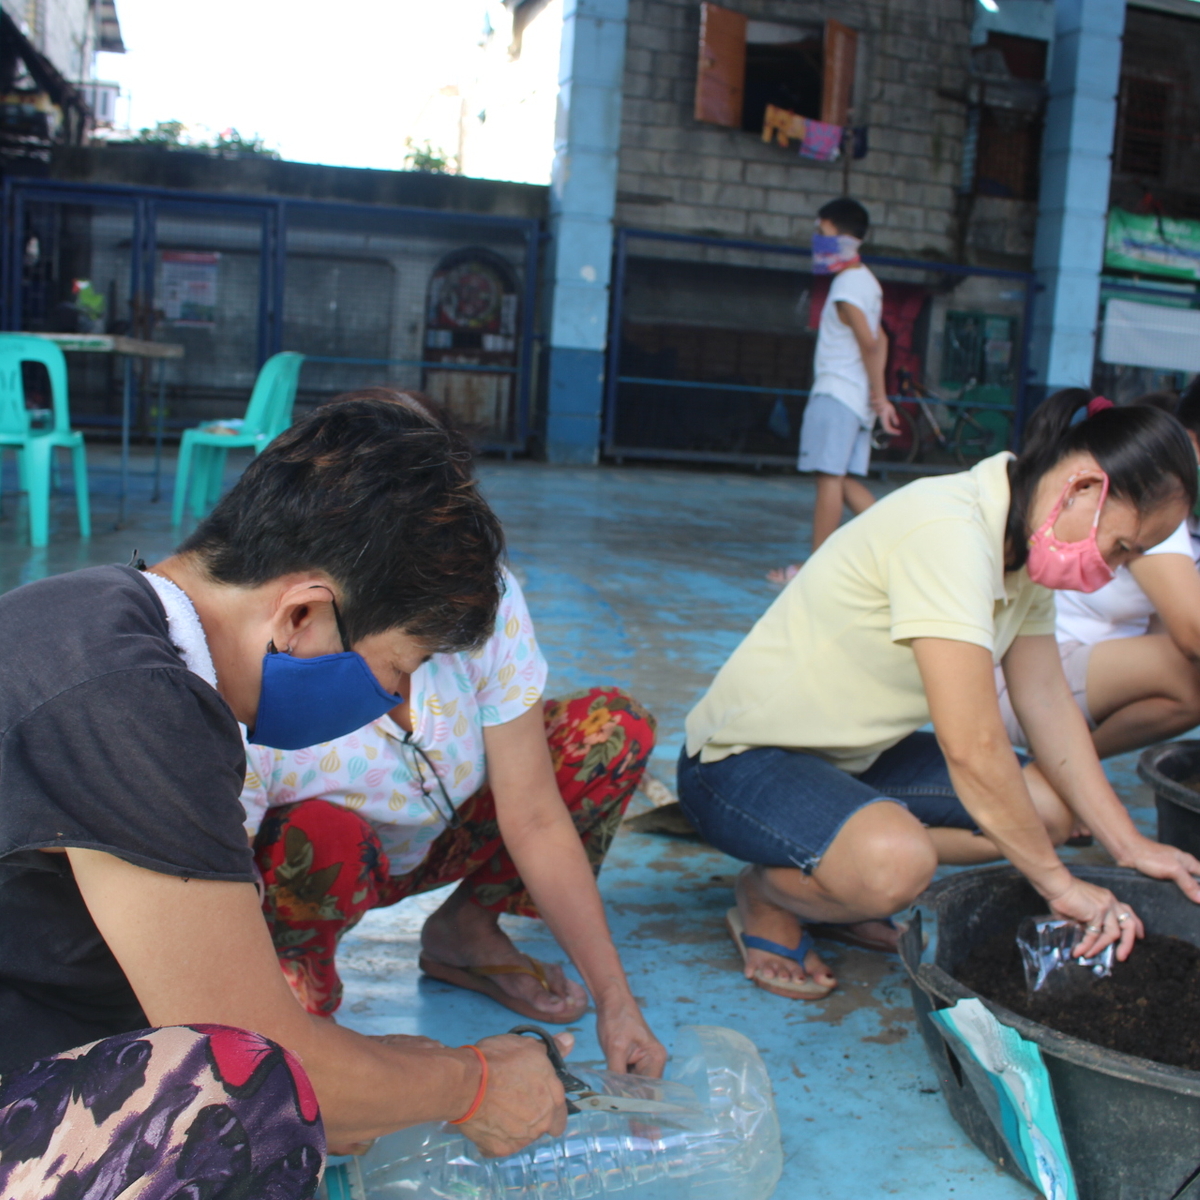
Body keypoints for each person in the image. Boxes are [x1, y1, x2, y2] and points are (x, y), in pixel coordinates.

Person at [0, 392, 622, 1196]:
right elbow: (248, 1050)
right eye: (398, 668)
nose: (394, 700)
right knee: (244, 1109)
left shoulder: (108, 628)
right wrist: (473, 1085)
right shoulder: (132, 702)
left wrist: (410, 1068)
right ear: (301, 615)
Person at [681, 390, 1200, 1001]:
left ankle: (842, 869)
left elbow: (1047, 702)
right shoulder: (949, 530)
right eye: (1123, 548)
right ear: (1084, 487)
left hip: (858, 758)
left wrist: (1128, 843)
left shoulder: (1024, 548)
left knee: (1051, 811)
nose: (1115, 569)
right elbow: (973, 744)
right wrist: (1060, 887)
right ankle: (766, 895)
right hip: (742, 764)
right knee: (896, 865)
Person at [241, 563, 663, 1061]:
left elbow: (535, 817)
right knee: (320, 835)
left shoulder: (475, 590)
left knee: (611, 729)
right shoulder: (248, 670)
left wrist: (615, 999)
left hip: (439, 835)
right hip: (308, 876)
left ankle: (467, 928)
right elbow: (222, 891)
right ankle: (298, 982)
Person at [997, 391, 1200, 758]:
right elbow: (1194, 635)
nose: (1113, 565)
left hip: (1066, 676)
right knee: (1193, 678)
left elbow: (1165, 629)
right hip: (1025, 679)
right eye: (1124, 548)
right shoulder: (1154, 505)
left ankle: (1067, 770)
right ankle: (1061, 771)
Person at [767, 197, 901, 585]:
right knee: (841, 481)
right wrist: (878, 398)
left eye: (822, 232)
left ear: (845, 237)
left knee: (828, 479)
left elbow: (870, 343)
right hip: (854, 398)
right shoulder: (868, 283)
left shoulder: (847, 285)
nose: (818, 240)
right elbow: (882, 341)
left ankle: (813, 572)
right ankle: (899, 543)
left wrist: (879, 395)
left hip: (837, 394)